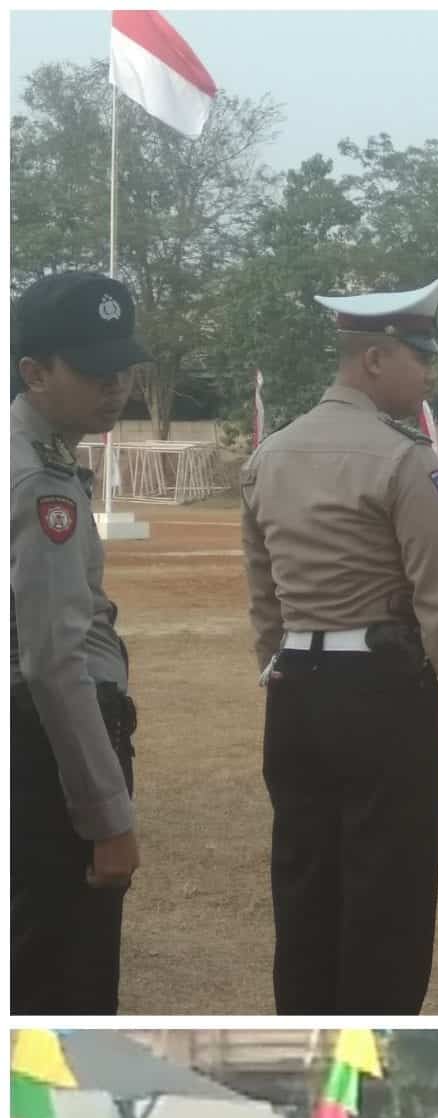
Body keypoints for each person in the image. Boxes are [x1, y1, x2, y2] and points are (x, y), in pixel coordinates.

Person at [241, 279, 438, 1014]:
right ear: (373, 358)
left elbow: (264, 594)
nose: (429, 373)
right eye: (418, 357)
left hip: (295, 692)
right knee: (386, 900)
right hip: (380, 696)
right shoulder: (403, 458)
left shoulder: (272, 455)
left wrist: (281, 671)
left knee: (303, 889)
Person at [11, 271, 149, 1012]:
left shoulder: (38, 453)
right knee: (66, 982)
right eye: (94, 371)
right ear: (35, 371)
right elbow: (54, 662)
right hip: (45, 748)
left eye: (123, 367)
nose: (116, 385)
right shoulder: (40, 482)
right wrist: (109, 819)